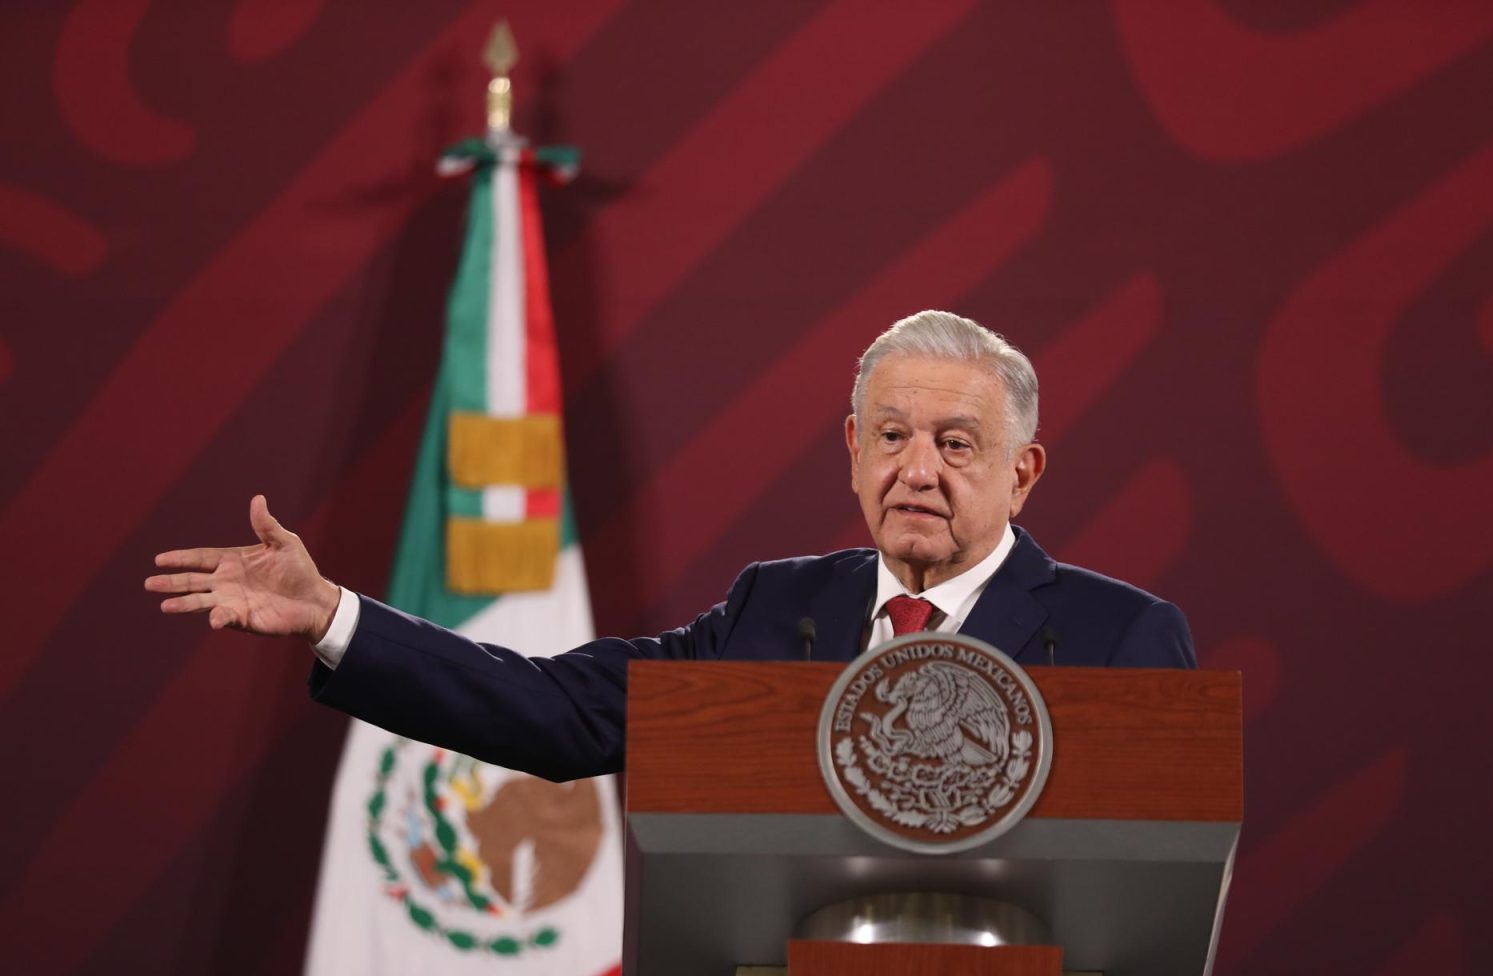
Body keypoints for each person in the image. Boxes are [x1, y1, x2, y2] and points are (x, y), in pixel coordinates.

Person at [146, 311, 1194, 781]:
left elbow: (1167, 877)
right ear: (851, 449)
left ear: (1023, 471)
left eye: (956, 444)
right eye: (890, 436)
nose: (915, 470)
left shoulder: (1120, 636)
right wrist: (335, 615)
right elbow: (554, 710)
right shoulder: (771, 613)